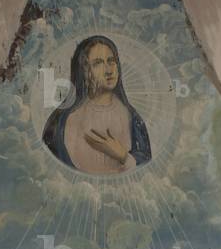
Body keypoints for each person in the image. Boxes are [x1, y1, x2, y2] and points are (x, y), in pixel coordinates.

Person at [42, 35, 151, 174]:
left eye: (111, 61)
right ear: (85, 71)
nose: (108, 70)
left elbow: (146, 164)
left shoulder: (131, 118)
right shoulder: (61, 121)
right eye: (98, 63)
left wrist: (122, 155)